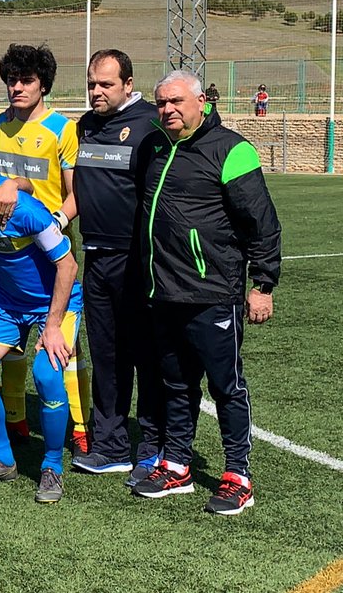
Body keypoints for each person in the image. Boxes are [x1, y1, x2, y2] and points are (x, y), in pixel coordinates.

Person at [131, 70, 280, 516]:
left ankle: (238, 476)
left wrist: (263, 285)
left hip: (214, 291)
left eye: (175, 101)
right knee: (176, 383)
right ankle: (177, 464)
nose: (167, 110)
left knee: (226, 387)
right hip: (163, 291)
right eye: (161, 103)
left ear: (201, 101)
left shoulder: (231, 149)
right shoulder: (153, 145)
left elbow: (262, 222)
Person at [0, 133, 83, 504]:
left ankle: (52, 467)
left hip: (57, 303)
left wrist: (53, 326)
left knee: (45, 373)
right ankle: (3, 460)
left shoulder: (24, 211)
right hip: (9, 302)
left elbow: (68, 266)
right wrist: (13, 181)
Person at [71, 50, 164, 484]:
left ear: (128, 83)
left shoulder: (150, 125)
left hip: (137, 261)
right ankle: (110, 446)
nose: (97, 92)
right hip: (96, 256)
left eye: (106, 84)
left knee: (145, 355)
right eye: (92, 83)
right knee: (106, 356)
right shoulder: (84, 125)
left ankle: (152, 447)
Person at [0, 43, 91, 453]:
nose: (17, 87)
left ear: (43, 85)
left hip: (52, 252)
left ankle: (83, 426)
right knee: (12, 344)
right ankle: (15, 419)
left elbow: (76, 195)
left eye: (26, 80)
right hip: (7, 254)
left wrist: (58, 221)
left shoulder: (62, 129)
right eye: (12, 80)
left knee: (65, 346)